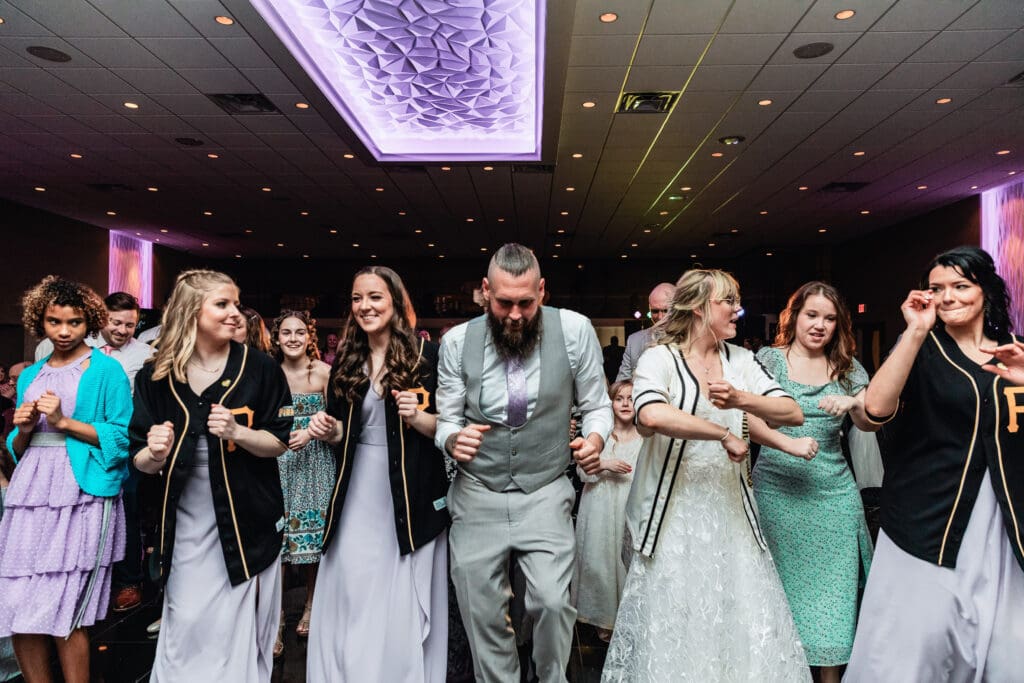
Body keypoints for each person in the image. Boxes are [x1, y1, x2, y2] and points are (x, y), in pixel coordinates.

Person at [602, 268, 809, 682]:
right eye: (728, 301)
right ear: (699, 308)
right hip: (672, 517)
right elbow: (650, 414)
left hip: (731, 516)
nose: (737, 310)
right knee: (678, 619)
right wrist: (722, 433)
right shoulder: (658, 358)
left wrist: (741, 398)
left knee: (736, 616)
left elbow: (792, 412)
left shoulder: (742, 361)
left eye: (737, 301)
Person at [845, 246, 1024, 681]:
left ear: (985, 291)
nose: (948, 297)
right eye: (937, 288)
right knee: (915, 648)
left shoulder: (1015, 352)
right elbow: (874, 411)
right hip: (928, 520)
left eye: (961, 286)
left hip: (1004, 522)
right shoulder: (922, 350)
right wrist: (915, 332)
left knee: (1005, 646)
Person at [435, 243, 612, 682]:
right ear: (484, 292)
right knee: (481, 612)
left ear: (542, 292)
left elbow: (598, 405)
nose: (514, 314)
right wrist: (453, 439)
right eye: (503, 302)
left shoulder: (574, 330)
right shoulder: (456, 342)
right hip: (477, 492)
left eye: (526, 303)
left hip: (545, 490)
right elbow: (446, 419)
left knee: (553, 603)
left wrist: (594, 438)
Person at [129, 269, 292, 682]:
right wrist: (155, 451)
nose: (235, 313)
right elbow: (140, 462)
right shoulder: (155, 376)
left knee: (234, 622)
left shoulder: (260, 369)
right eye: (222, 304)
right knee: (185, 616)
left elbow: (279, 442)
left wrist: (238, 432)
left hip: (245, 516)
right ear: (191, 312)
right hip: (183, 518)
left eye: (235, 303)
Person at [306, 266, 450, 681]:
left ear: (395, 302)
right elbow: (339, 429)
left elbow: (450, 427)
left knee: (398, 583)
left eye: (374, 297)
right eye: (357, 298)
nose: (365, 306)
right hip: (356, 487)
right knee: (354, 578)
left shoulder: (427, 358)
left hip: (409, 488)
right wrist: (326, 429)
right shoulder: (347, 360)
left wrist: (420, 417)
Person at [0, 276, 132, 683]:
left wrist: (63, 421)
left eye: (73, 322)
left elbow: (121, 437)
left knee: (66, 607)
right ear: (40, 320)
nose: (63, 331)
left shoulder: (106, 370)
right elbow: (19, 448)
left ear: (88, 322)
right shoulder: (31, 375)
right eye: (54, 321)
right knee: (17, 603)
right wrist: (22, 429)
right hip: (31, 493)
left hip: (82, 490)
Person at [750, 282, 878, 683]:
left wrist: (856, 401)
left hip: (834, 496)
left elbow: (870, 419)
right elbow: (744, 416)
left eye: (829, 318)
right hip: (775, 492)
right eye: (812, 315)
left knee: (834, 599)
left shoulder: (849, 368)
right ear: (794, 316)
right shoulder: (767, 361)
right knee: (780, 595)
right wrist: (785, 443)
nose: (820, 325)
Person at [270, 310, 333, 652]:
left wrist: (311, 432)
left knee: (314, 543)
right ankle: (277, 619)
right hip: (278, 463)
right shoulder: (270, 374)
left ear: (309, 336)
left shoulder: (323, 373)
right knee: (278, 545)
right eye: (285, 333)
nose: (292, 339)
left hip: (315, 464)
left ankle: (311, 605)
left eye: (299, 333)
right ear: (276, 338)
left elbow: (338, 418)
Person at [571, 379, 639, 642]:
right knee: (599, 561)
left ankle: (627, 619)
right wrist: (605, 464)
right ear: (610, 403)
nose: (625, 403)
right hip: (599, 507)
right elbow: (581, 470)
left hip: (626, 505)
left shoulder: (645, 437)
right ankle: (603, 622)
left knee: (626, 562)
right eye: (619, 398)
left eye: (631, 398)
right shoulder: (598, 437)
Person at [616, 282, 675, 381]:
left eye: (666, 310)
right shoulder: (634, 341)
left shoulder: (692, 339)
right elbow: (622, 382)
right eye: (655, 311)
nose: (660, 317)